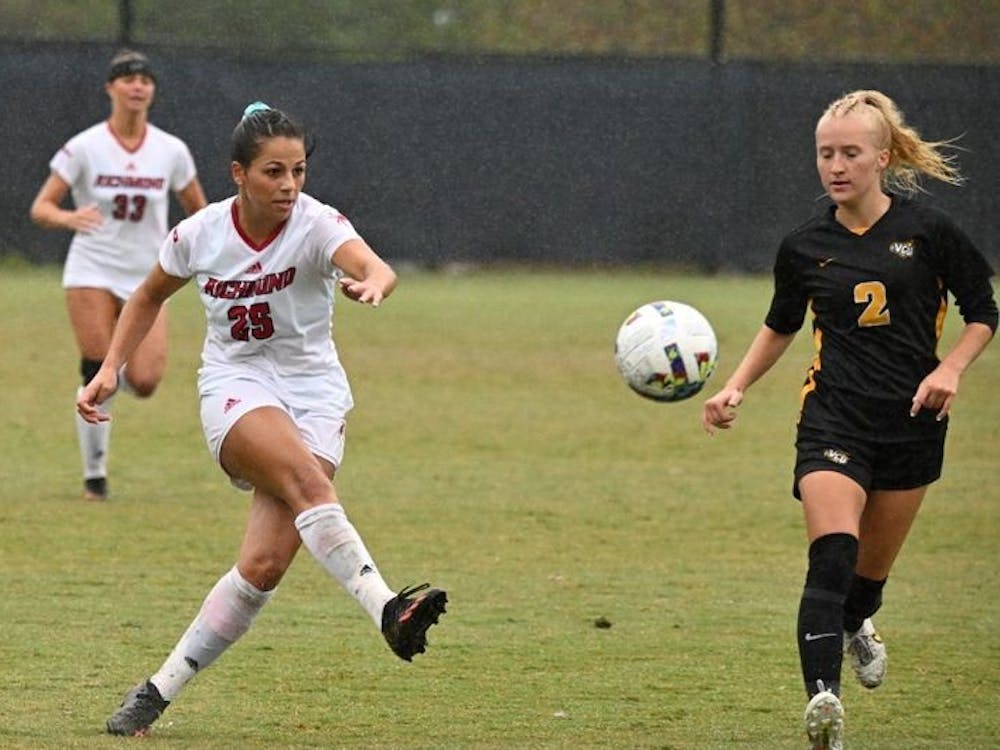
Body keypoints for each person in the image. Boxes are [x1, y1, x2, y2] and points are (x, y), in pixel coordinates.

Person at [77, 101, 448, 736]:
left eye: (298, 171)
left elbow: (372, 264)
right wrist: (111, 367)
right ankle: (388, 606)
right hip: (236, 387)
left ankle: (155, 692)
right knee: (309, 485)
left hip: (315, 394)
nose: (289, 185)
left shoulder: (316, 224)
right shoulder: (200, 233)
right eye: (274, 172)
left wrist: (376, 285)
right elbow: (146, 297)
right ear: (238, 174)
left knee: (263, 567)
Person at [701, 90, 996, 750]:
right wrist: (735, 388)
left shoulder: (929, 233)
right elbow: (782, 325)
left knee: (863, 586)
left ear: (882, 158)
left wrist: (950, 369)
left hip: (913, 425)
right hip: (831, 421)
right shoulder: (805, 246)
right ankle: (823, 707)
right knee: (831, 558)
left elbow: (984, 310)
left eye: (850, 153)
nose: (835, 165)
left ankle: (860, 624)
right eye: (825, 154)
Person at [30, 48, 207, 501]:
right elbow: (41, 207)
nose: (136, 85)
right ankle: (95, 476)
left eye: (144, 79)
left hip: (149, 275)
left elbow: (198, 213)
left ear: (152, 91)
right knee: (95, 360)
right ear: (110, 88)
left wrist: (201, 250)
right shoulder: (85, 146)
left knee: (145, 381)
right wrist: (69, 218)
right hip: (91, 265)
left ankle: (100, 386)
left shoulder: (171, 150)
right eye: (127, 78)